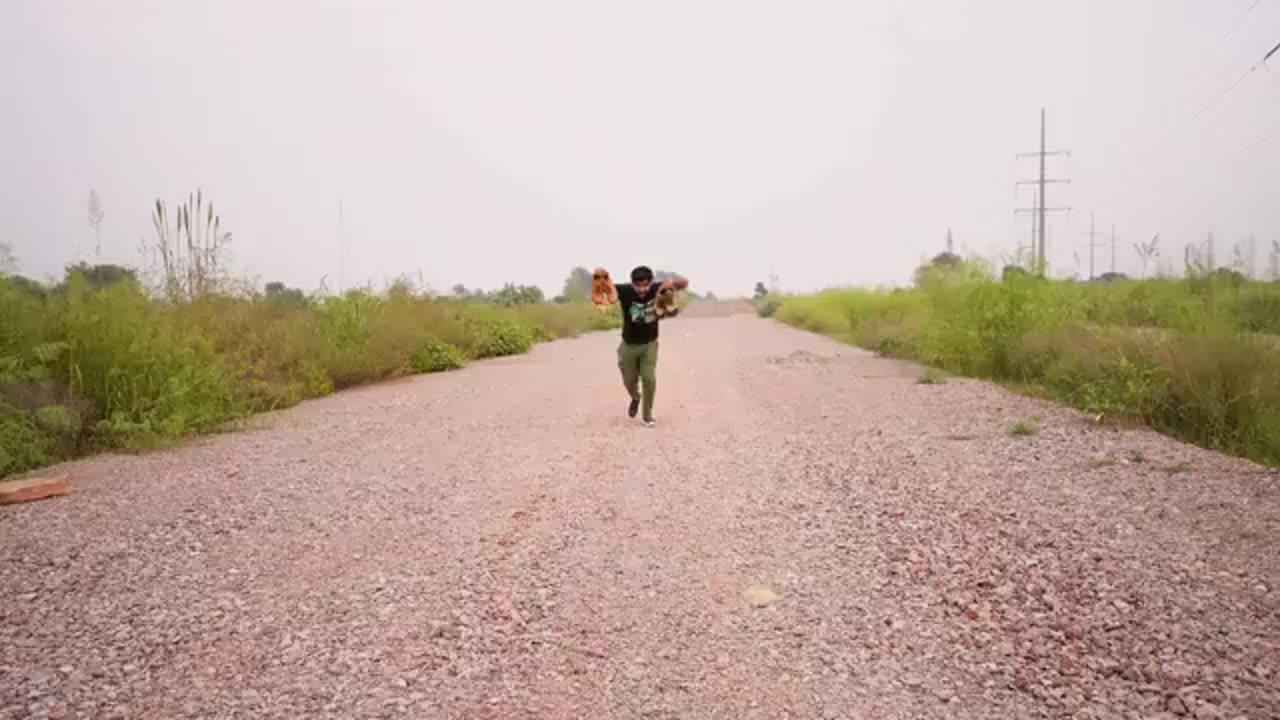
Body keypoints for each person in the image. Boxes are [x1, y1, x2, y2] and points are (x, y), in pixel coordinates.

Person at [592, 265, 688, 427]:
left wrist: (671, 283)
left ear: (651, 282)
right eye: (638, 286)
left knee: (649, 378)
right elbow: (604, 292)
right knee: (629, 380)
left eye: (646, 285)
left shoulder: (657, 288)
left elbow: (685, 282)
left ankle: (647, 415)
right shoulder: (624, 290)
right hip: (628, 345)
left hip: (649, 344)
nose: (642, 289)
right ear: (632, 283)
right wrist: (600, 279)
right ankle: (635, 397)